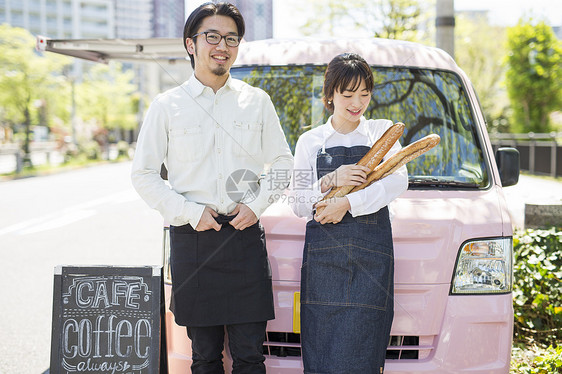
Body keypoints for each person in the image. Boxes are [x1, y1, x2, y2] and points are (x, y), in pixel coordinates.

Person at [131, 2, 293, 373]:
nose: (222, 45)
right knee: (203, 358)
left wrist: (256, 204)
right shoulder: (167, 106)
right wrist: (190, 212)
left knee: (251, 356)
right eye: (213, 36)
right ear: (191, 44)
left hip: (244, 235)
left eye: (231, 38)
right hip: (194, 239)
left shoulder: (257, 102)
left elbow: (284, 163)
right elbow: (143, 174)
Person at [289, 53, 408, 373]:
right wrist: (330, 181)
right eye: (348, 94)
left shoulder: (383, 133)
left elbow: (399, 181)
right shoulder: (309, 142)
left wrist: (348, 204)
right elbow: (298, 202)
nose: (357, 103)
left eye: (364, 94)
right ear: (329, 95)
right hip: (324, 264)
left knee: (366, 348)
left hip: (372, 260)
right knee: (322, 346)